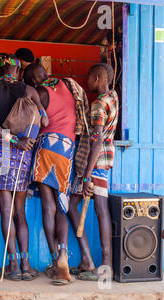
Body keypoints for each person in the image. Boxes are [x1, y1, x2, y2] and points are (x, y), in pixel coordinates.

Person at [25, 62, 90, 285]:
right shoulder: (66, 85)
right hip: (66, 149)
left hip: (45, 146)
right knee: (62, 205)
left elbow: (32, 123)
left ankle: (55, 260)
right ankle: (63, 253)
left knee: (48, 205)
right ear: (45, 72)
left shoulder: (38, 93)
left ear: (33, 80)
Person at [0, 55, 46, 281]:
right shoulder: (29, 91)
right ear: (18, 69)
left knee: (6, 210)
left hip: (2, 148)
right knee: (20, 211)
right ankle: (26, 264)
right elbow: (45, 121)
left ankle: (12, 265)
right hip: (24, 152)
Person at [68, 64, 120, 281]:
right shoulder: (113, 97)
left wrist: (87, 175)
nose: (87, 82)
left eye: (89, 78)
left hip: (95, 163)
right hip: (103, 159)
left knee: (99, 209)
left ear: (98, 78)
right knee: (75, 205)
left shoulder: (99, 103)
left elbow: (96, 140)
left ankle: (105, 266)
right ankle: (88, 261)